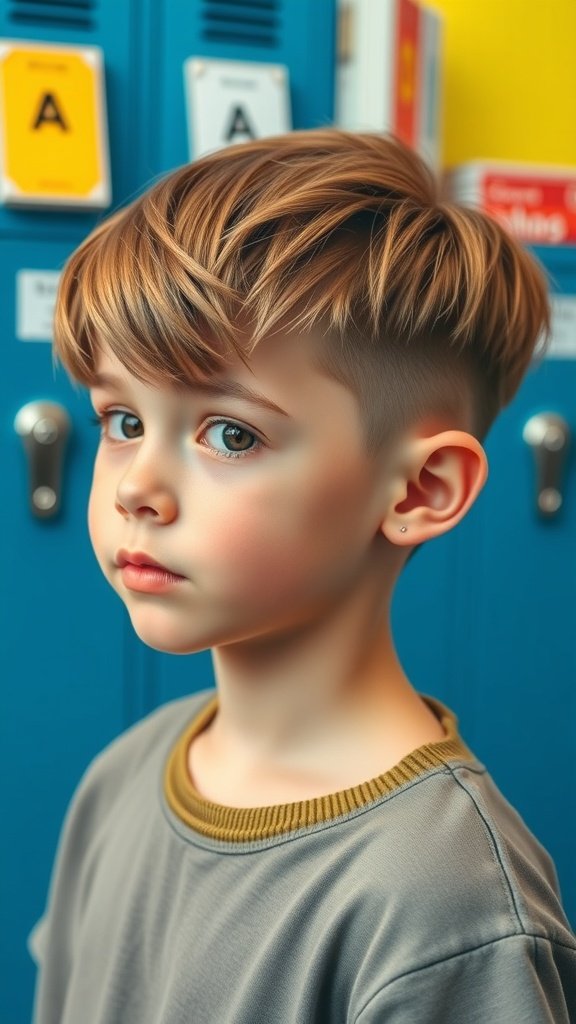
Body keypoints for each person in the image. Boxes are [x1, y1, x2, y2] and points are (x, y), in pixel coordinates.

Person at [32, 130, 575, 1023]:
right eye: (122, 420)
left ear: (422, 489)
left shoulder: (448, 906)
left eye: (230, 435)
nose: (137, 488)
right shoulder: (124, 774)